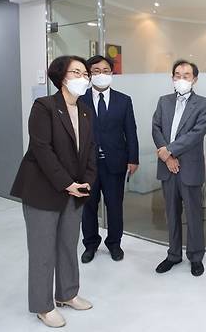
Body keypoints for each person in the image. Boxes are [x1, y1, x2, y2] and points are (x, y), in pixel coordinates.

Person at [11, 55, 97, 328]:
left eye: (85, 74)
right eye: (77, 72)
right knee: (42, 251)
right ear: (61, 77)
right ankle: (42, 306)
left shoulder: (85, 110)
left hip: (75, 191)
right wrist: (66, 183)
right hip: (43, 190)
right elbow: (42, 149)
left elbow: (91, 149)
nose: (83, 78)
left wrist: (87, 181)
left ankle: (67, 293)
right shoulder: (44, 106)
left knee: (68, 246)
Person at [151, 59, 206, 276]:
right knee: (171, 213)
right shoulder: (163, 101)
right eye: (177, 74)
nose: (181, 78)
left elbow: (196, 134)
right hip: (167, 167)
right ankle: (173, 254)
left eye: (186, 75)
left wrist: (170, 151)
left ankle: (196, 256)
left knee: (194, 214)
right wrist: (166, 156)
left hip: (189, 168)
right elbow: (156, 128)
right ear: (172, 78)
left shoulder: (204, 104)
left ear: (194, 79)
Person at [80, 55, 139, 263]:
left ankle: (114, 244)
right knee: (88, 207)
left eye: (105, 70)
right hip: (87, 165)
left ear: (112, 73)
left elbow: (130, 131)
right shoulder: (80, 99)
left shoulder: (124, 100)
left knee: (115, 206)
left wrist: (133, 158)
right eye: (96, 71)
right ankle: (90, 244)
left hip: (115, 163)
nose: (101, 75)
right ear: (89, 74)